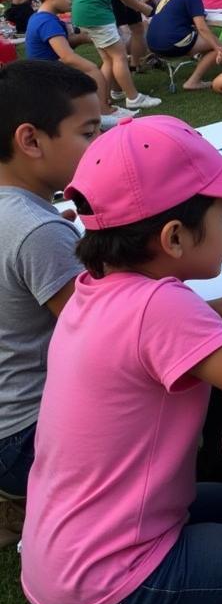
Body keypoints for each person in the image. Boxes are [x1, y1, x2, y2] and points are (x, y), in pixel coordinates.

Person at [20, 115, 222, 604]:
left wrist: (209, 312)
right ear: (173, 238)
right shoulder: (163, 310)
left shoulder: (96, 285)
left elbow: (137, 333)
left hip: (63, 552)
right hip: (115, 579)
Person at [0, 61, 100, 536]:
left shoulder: (22, 215)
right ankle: (34, 497)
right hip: (27, 436)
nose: (98, 146)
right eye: (88, 133)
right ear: (31, 141)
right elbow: (109, 338)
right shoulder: (36, 231)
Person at [24, 0, 132, 127]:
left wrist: (84, 38)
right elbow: (67, 56)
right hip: (48, 77)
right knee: (93, 70)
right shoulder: (47, 22)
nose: (72, 1)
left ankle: (103, 107)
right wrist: (88, 67)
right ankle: (102, 113)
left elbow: (62, 42)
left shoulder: (39, 17)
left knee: (91, 69)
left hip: (44, 71)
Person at [146, 0, 222, 91]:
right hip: (172, 43)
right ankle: (193, 81)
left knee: (202, 38)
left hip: (152, 43)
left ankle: (197, 57)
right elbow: (202, 27)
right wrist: (218, 48)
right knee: (217, 45)